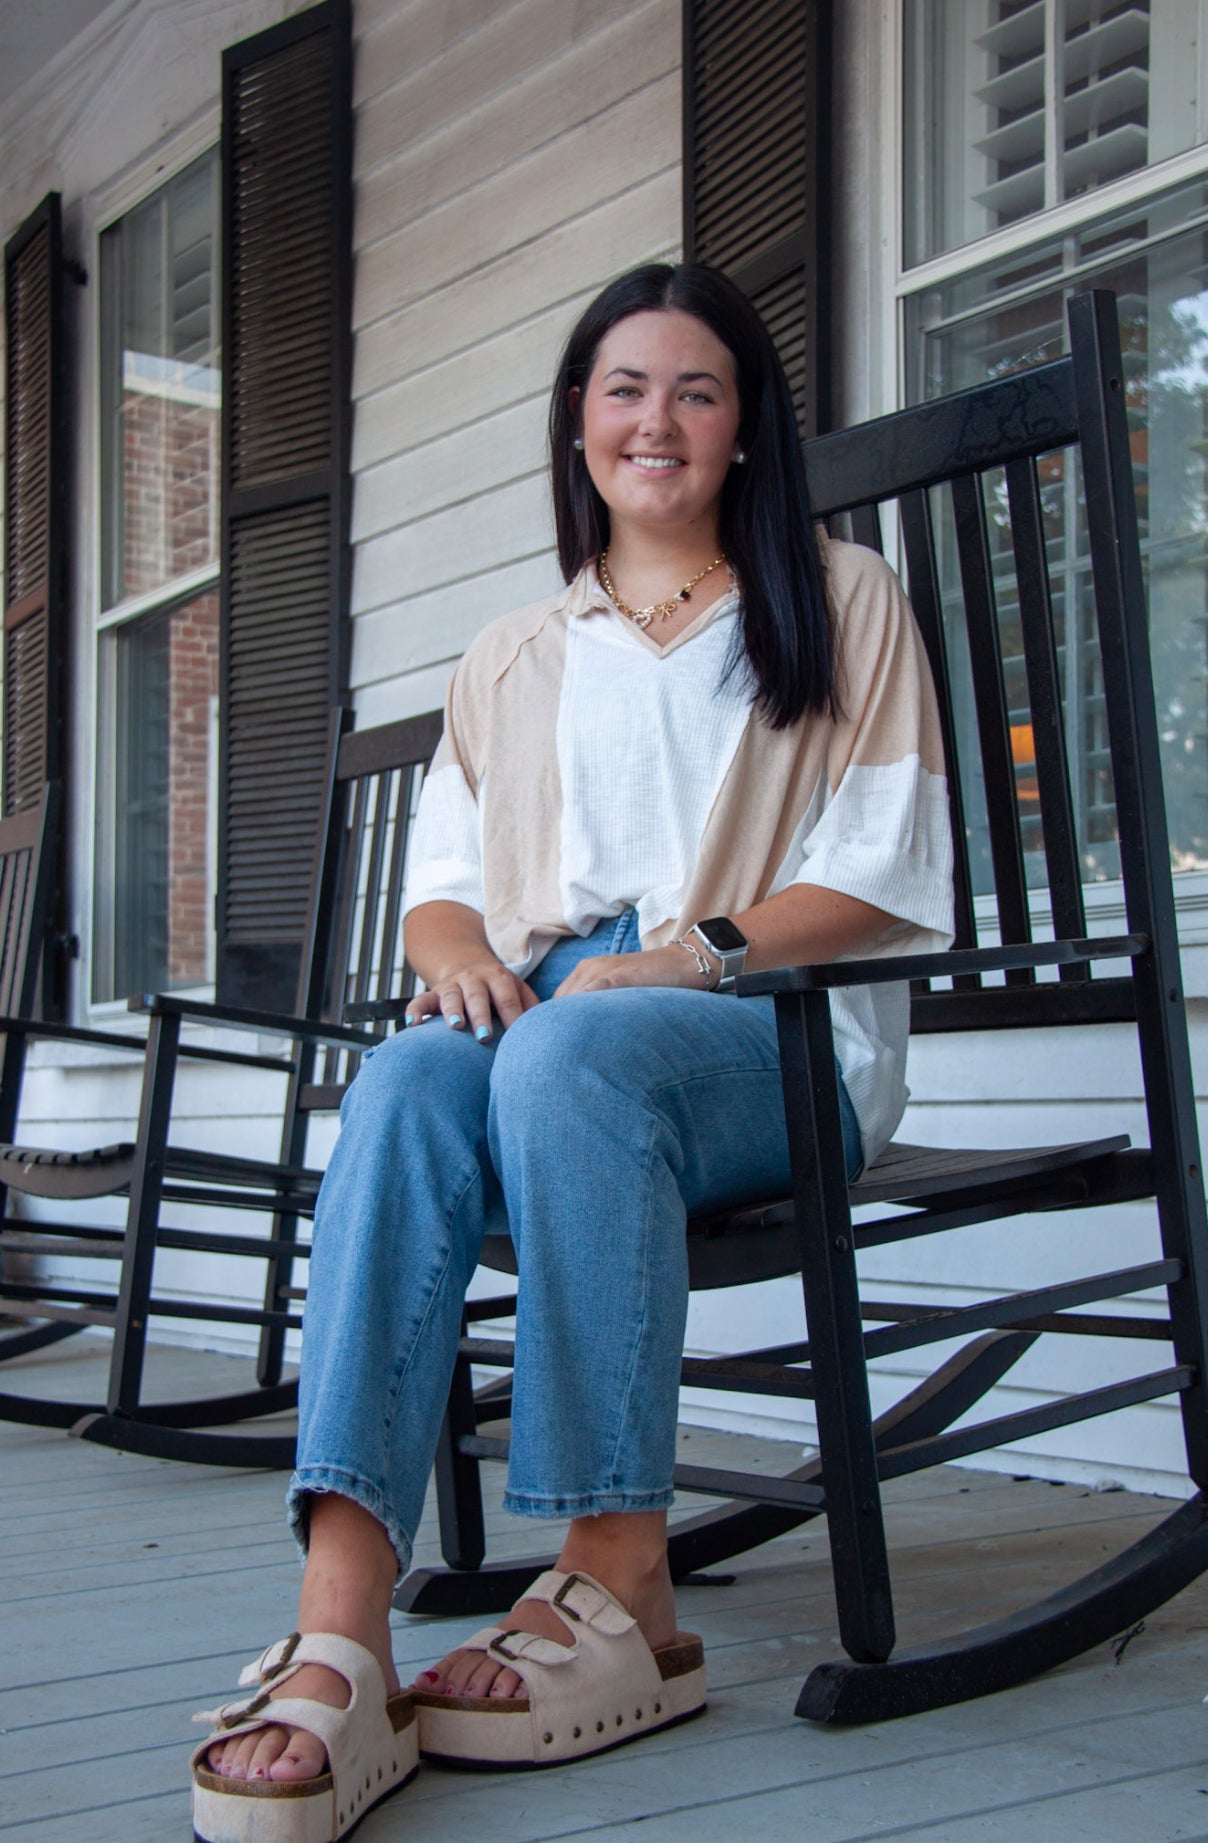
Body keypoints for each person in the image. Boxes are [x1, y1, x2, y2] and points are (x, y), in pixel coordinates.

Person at [190, 262, 953, 1843]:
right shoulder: (512, 651)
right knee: (405, 1077)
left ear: (745, 429)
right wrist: (461, 954)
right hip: (563, 1040)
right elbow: (444, 895)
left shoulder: (836, 596)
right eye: (624, 389)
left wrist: (688, 952)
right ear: (578, 424)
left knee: (564, 1064)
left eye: (696, 389)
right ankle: (342, 1616)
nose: (656, 419)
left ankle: (621, 1575)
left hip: (775, 1043)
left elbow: (885, 868)